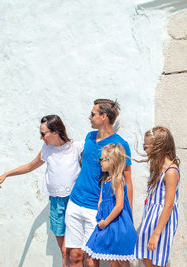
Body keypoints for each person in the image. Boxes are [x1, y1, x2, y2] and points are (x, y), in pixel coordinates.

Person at [0, 114, 83, 267]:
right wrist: (6, 174)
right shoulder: (47, 149)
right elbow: (29, 166)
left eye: (42, 133)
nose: (41, 137)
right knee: (64, 251)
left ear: (55, 132)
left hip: (74, 202)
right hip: (56, 203)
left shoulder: (77, 147)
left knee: (74, 252)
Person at [65, 99, 132, 267]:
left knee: (92, 258)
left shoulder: (121, 144)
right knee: (73, 256)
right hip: (75, 202)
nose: (89, 117)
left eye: (93, 114)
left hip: (96, 208)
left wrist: (127, 216)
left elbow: (127, 181)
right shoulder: (89, 137)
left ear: (104, 116)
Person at [82, 144, 137, 267]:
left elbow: (119, 205)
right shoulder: (105, 181)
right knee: (109, 256)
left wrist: (106, 221)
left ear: (112, 161)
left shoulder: (118, 181)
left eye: (102, 159)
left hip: (116, 223)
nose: (100, 162)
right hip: (105, 223)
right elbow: (101, 200)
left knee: (121, 258)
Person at [135, 126, 180, 267]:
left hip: (163, 217)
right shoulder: (156, 166)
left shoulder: (171, 171)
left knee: (158, 258)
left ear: (158, 147)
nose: (145, 151)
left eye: (146, 147)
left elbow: (169, 205)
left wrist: (156, 233)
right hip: (151, 214)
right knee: (146, 255)